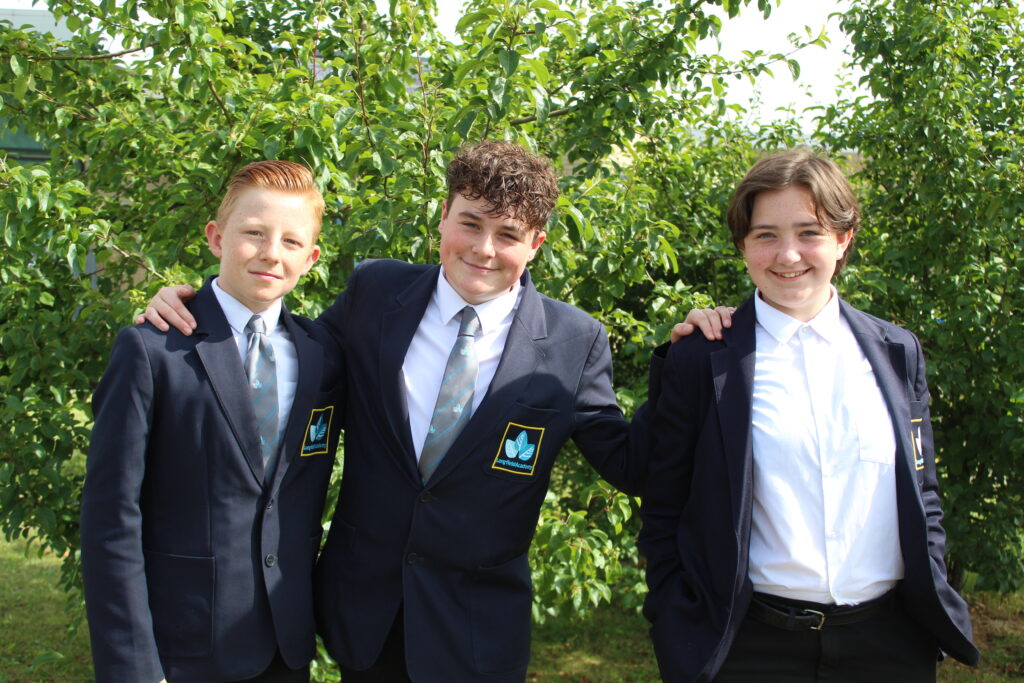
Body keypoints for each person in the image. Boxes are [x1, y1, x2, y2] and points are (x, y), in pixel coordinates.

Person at [142, 141, 727, 682]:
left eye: (508, 233)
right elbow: (291, 351)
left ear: (536, 244)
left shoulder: (575, 341)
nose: (483, 248)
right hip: (362, 614)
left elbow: (633, 464)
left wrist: (684, 365)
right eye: (470, 223)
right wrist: (202, 307)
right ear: (443, 216)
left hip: (476, 631)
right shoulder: (376, 293)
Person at [639, 149, 980, 682]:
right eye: (766, 235)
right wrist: (672, 614)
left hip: (889, 646)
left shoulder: (898, 352)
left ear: (843, 239)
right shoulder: (702, 360)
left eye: (809, 232)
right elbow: (664, 507)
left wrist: (930, 583)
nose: (789, 254)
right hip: (751, 649)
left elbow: (923, 492)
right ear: (743, 245)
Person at [80, 161, 345, 683]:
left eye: (292, 241)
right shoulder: (153, 350)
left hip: (285, 645)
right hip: (181, 648)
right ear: (216, 237)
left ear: (311, 258)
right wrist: (134, 668)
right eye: (254, 233)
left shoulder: (324, 355)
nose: (271, 253)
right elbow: (111, 518)